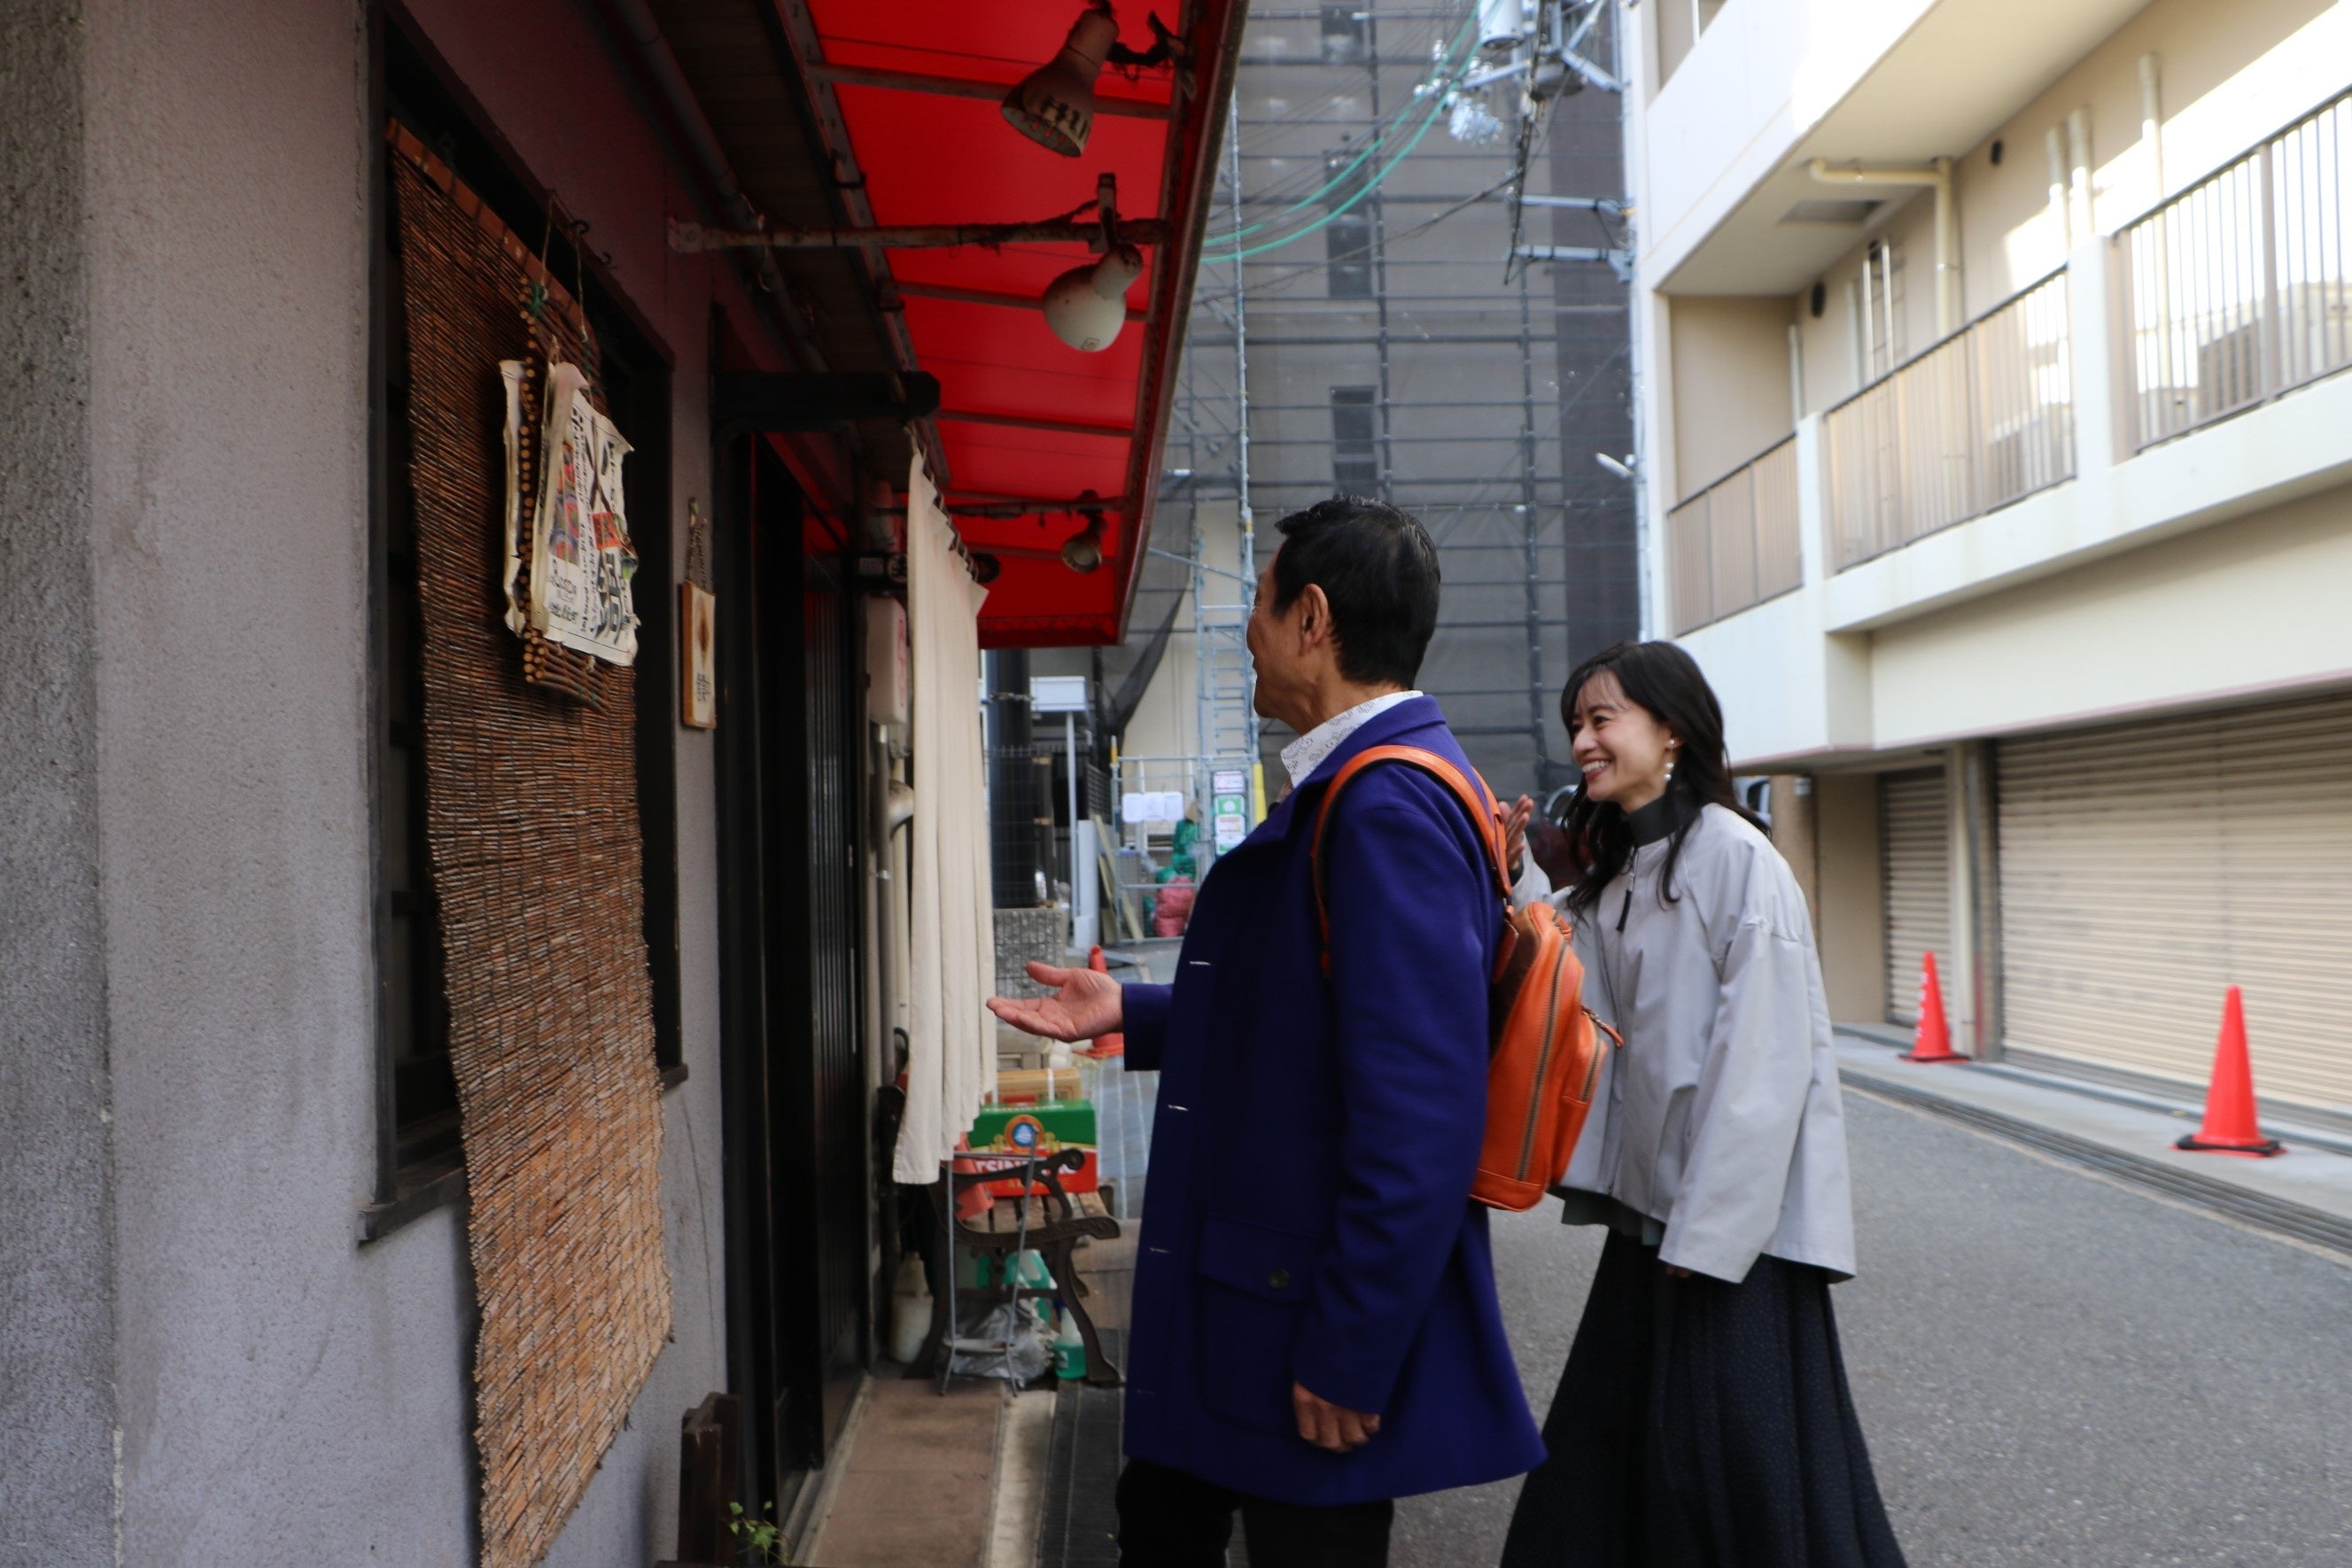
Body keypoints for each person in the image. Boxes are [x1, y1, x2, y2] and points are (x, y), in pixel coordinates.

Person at [991, 497, 1543, 1568]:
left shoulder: (1384, 806)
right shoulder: (1367, 787)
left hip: (1300, 1321)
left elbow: (1421, 1120)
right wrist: (1132, 1010)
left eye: (1260, 600)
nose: (1249, 628)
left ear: (1312, 619)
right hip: (1258, 1293)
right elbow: (1304, 1014)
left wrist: (1352, 1349)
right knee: (1167, 1521)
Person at [1499, 640, 1906, 1568]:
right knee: (1629, 1459)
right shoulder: (1628, 869)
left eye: (1602, 719)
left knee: (1732, 1475)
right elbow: (1558, 968)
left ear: (1671, 730)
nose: (1582, 741)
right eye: (1576, 724)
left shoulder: (1737, 859)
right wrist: (1511, 872)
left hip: (1725, 1240)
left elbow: (1764, 1064)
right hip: (1655, 1223)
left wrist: (1711, 1236)